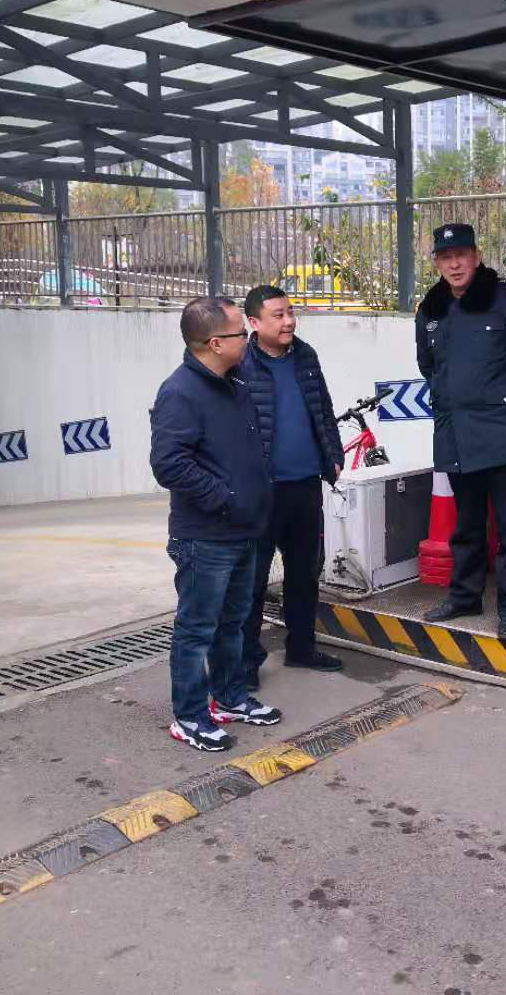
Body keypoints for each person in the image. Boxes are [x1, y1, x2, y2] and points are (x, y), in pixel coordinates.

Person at [150, 296, 282, 752]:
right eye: (240, 333)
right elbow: (169, 464)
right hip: (205, 536)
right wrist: (226, 499)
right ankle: (189, 716)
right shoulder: (180, 392)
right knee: (197, 629)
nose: (247, 338)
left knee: (234, 622)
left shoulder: (235, 382)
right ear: (214, 343)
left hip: (243, 529)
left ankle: (228, 697)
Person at [416, 224, 506, 641]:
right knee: (467, 523)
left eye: (461, 255)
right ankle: (465, 596)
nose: (455, 264)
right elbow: (428, 366)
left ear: (476, 257)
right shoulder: (432, 309)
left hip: (505, 431)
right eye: (445, 257)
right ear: (437, 264)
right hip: (456, 432)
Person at [237, 285, 345, 689]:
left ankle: (302, 647)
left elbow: (324, 409)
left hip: (305, 486)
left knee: (304, 573)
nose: (288, 322)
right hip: (262, 492)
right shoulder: (241, 363)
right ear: (254, 322)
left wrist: (333, 454)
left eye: (290, 313)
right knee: (252, 580)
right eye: (278, 315)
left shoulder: (305, 356)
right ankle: (245, 662)